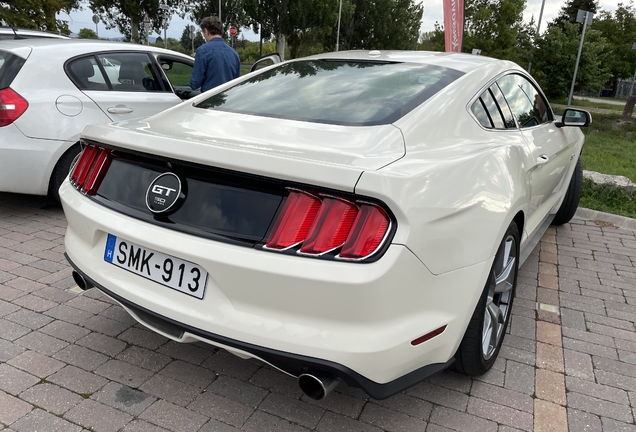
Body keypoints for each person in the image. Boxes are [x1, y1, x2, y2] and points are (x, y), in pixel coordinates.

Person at [189, 16, 241, 93]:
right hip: (228, 99)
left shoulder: (202, 51)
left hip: (209, 99)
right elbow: (238, 82)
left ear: (206, 31)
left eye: (203, 33)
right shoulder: (234, 54)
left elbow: (195, 83)